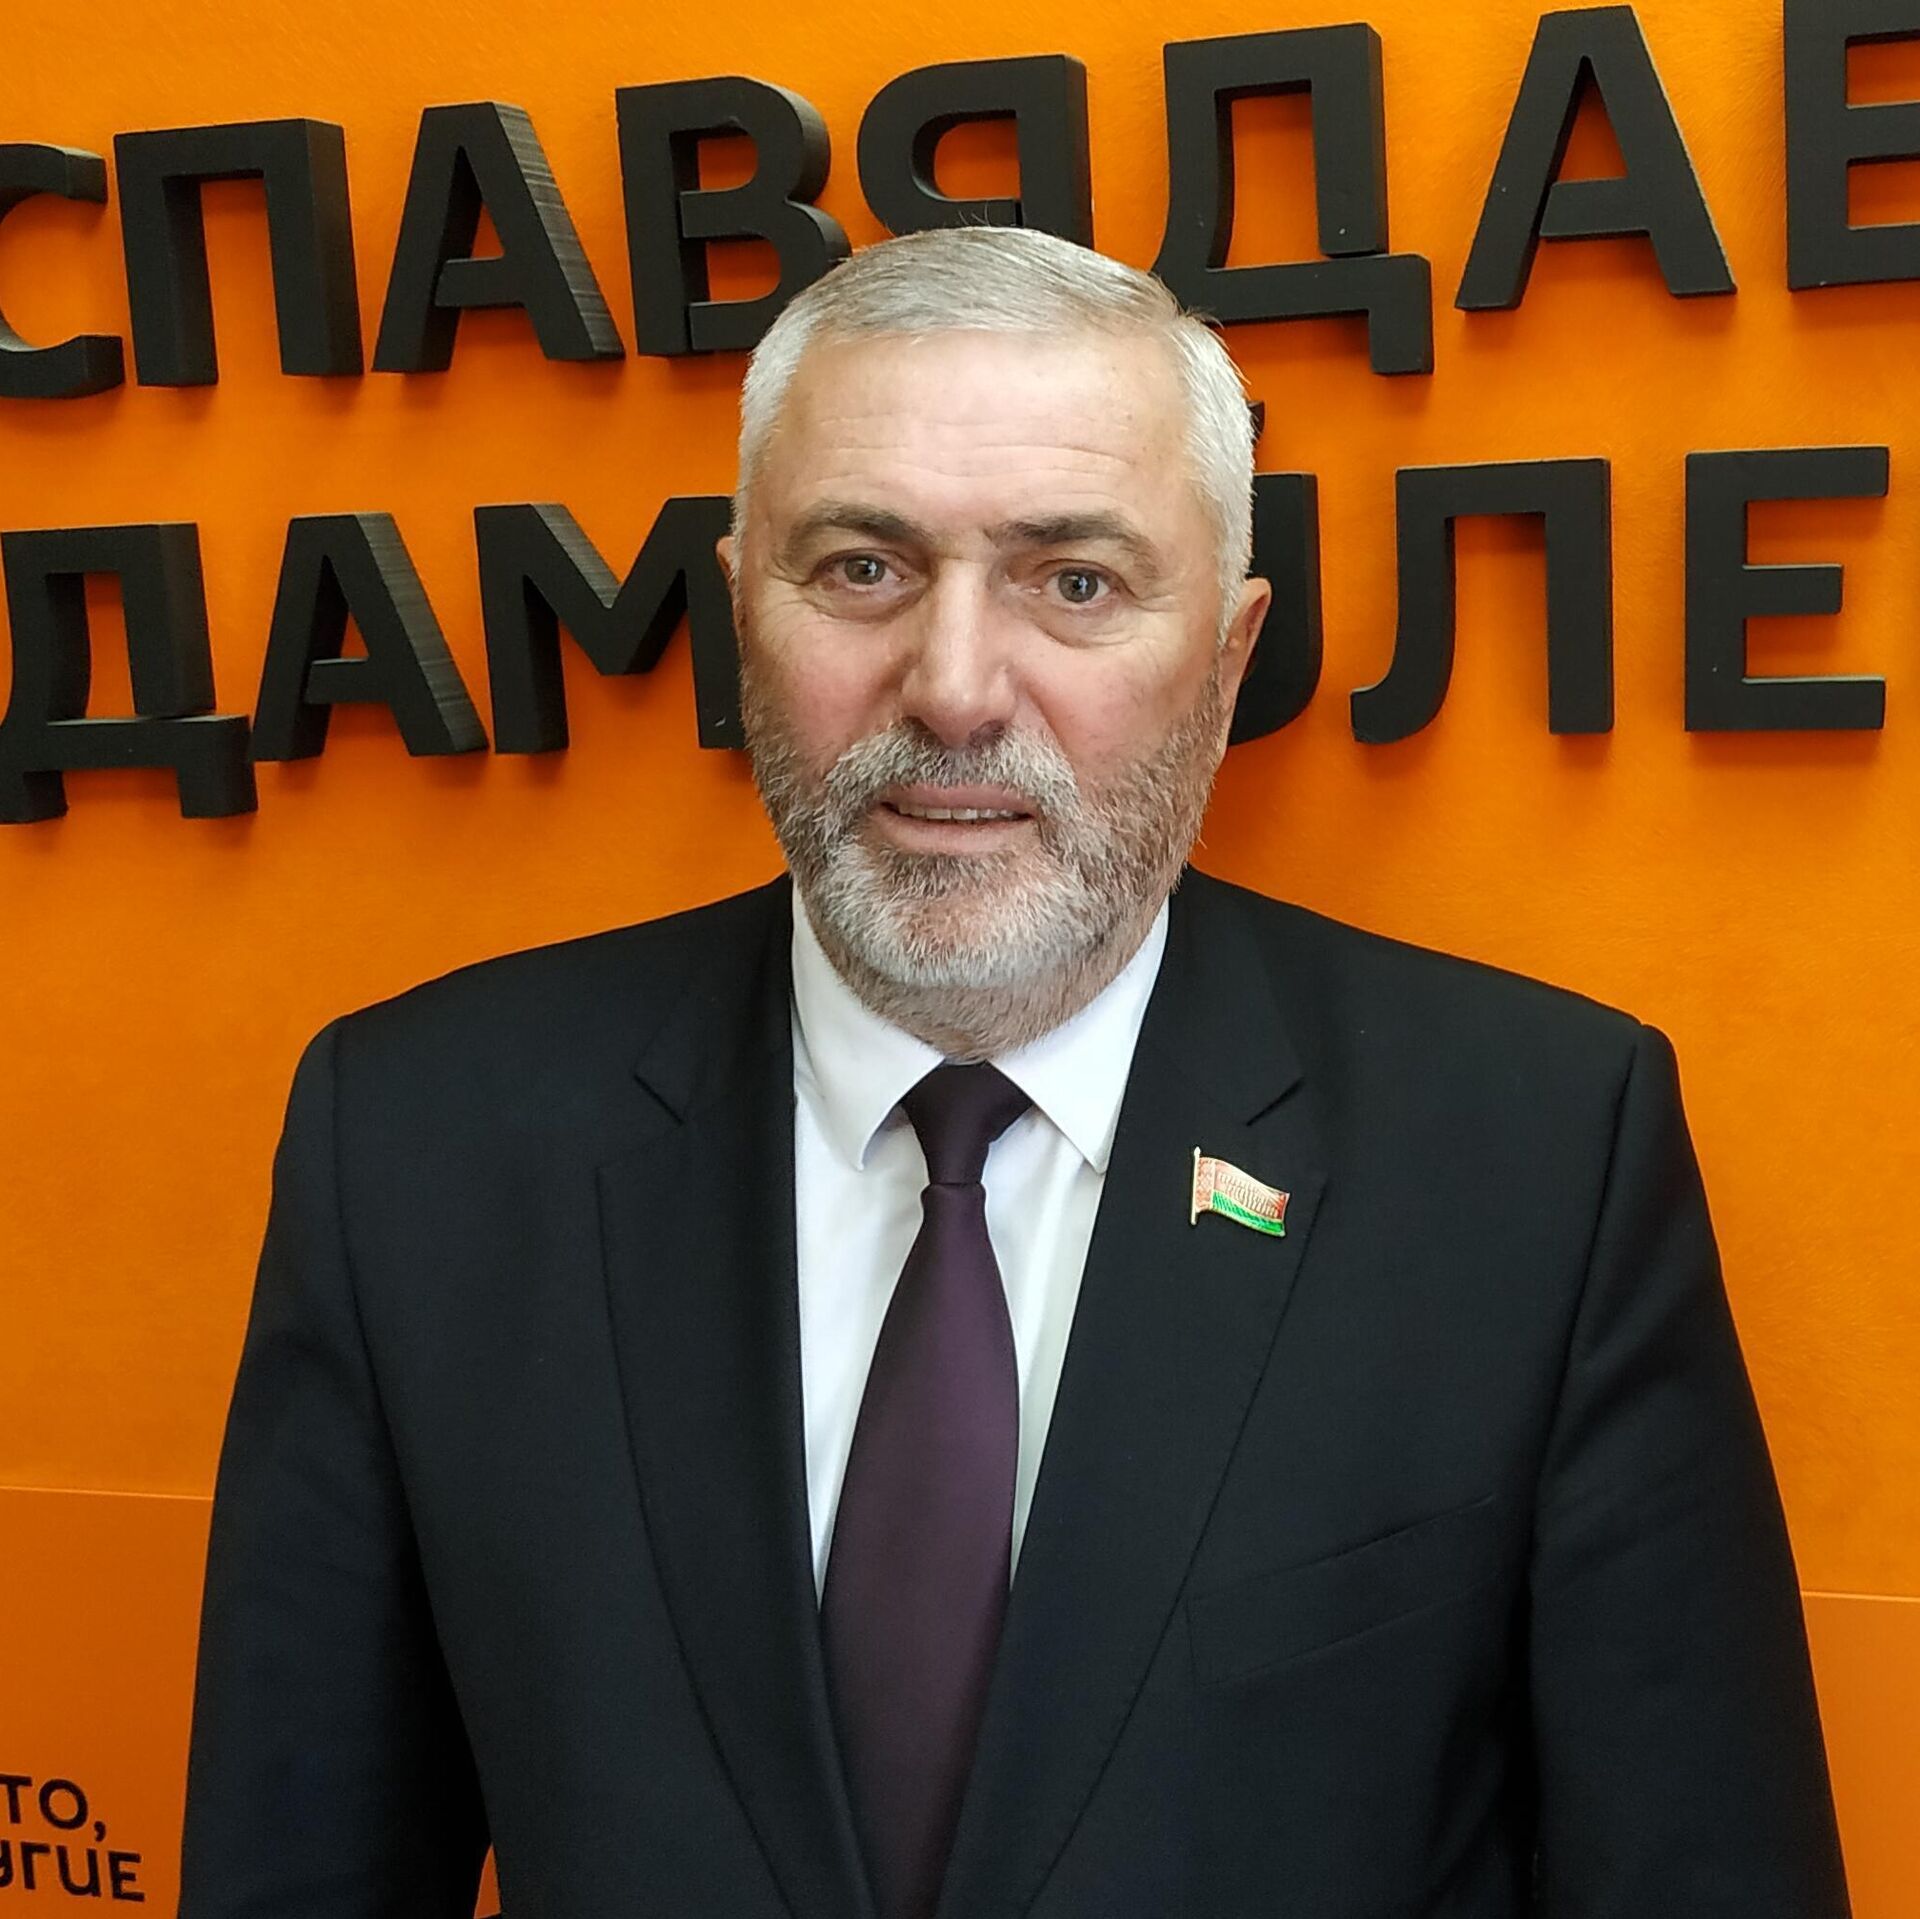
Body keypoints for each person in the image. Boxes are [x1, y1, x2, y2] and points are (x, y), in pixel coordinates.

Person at [179, 226, 1850, 1919]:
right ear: (742, 608)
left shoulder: (1536, 1157)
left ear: (1227, 658)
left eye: (1075, 583)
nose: (958, 690)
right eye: (863, 568)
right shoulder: (419, 1144)